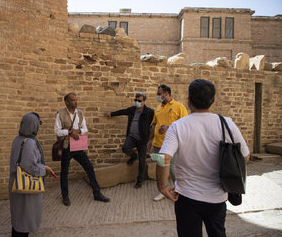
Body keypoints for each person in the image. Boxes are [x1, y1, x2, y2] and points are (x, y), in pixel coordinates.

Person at [156, 79, 250, 237]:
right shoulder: (226, 124)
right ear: (213, 100)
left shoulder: (178, 126)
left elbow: (162, 157)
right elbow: (245, 157)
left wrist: (162, 187)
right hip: (217, 196)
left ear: (189, 100)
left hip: (186, 196)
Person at [55, 93, 110, 206]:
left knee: (89, 167)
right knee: (64, 171)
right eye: (73, 100)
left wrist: (78, 132)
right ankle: (65, 195)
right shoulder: (60, 114)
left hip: (78, 146)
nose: (76, 102)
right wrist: (70, 132)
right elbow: (57, 131)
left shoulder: (80, 113)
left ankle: (97, 193)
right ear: (67, 102)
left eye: (76, 100)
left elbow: (84, 128)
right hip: (66, 147)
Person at [9, 112, 55, 237]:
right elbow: (29, 166)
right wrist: (44, 169)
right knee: (25, 218)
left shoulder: (17, 139)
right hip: (26, 186)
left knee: (18, 217)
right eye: (37, 124)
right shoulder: (29, 142)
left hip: (16, 182)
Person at [104, 93, 154, 189]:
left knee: (142, 160)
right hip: (132, 137)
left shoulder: (149, 112)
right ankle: (133, 156)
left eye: (139, 101)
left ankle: (140, 180)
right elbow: (122, 111)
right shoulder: (132, 110)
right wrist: (111, 114)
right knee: (125, 148)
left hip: (143, 139)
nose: (137, 102)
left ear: (144, 102)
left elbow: (156, 120)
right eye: (136, 100)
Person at [147, 85, 188, 201]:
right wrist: (150, 140)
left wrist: (169, 127)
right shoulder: (158, 108)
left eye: (159, 93)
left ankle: (180, 191)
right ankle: (162, 190)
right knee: (160, 168)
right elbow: (154, 125)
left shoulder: (179, 106)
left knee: (172, 168)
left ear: (167, 93)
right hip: (158, 144)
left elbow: (185, 124)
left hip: (172, 145)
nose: (158, 96)